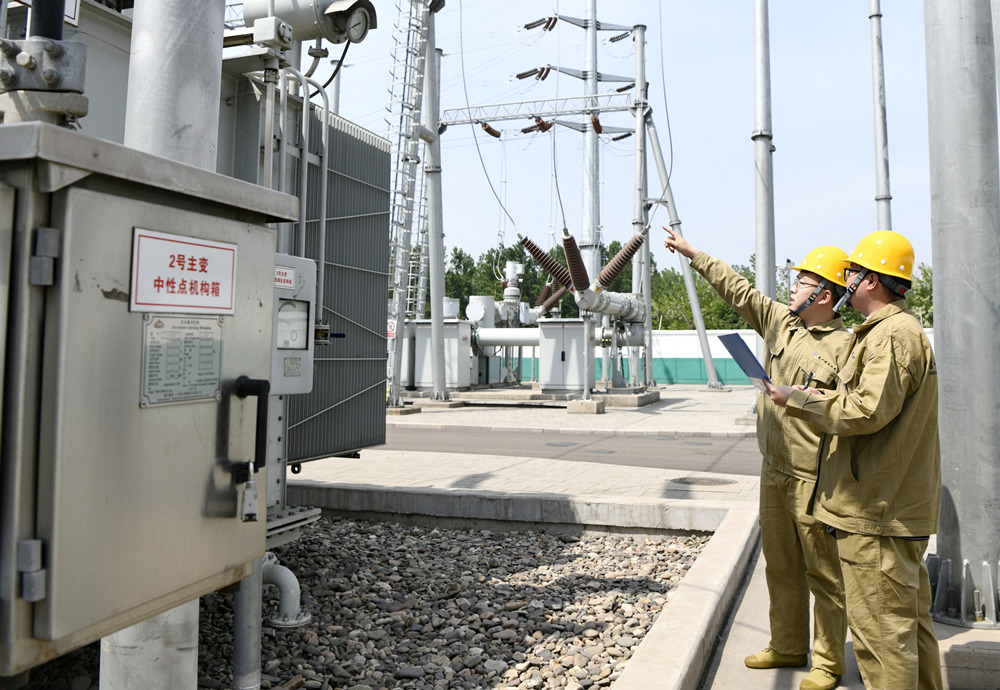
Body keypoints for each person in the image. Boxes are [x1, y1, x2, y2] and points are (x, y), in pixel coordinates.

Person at [664, 227, 849, 690]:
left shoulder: (847, 347)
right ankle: (788, 644)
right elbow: (737, 287)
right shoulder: (781, 322)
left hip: (815, 477)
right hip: (774, 468)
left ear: (825, 294)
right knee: (780, 563)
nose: (792, 287)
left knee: (823, 573)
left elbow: (851, 412)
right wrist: (693, 253)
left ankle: (828, 662)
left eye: (803, 282)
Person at [764, 230, 942, 689]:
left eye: (854, 274)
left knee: (882, 639)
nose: (848, 283)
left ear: (872, 282)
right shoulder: (891, 332)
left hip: (875, 510)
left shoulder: (891, 336)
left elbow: (865, 411)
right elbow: (866, 400)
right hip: (884, 506)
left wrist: (798, 400)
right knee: (908, 632)